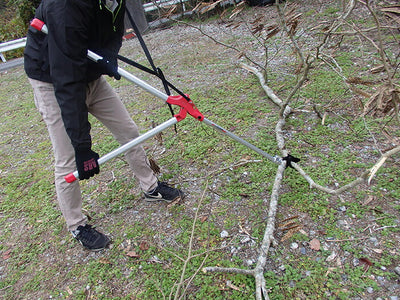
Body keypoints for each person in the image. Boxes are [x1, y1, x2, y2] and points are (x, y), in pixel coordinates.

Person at [23, 0, 184, 251]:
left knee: (128, 131)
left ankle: (150, 187)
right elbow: (67, 79)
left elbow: (112, 27)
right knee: (67, 158)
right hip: (53, 81)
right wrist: (83, 147)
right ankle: (76, 225)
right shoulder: (64, 6)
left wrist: (107, 56)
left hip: (89, 74)